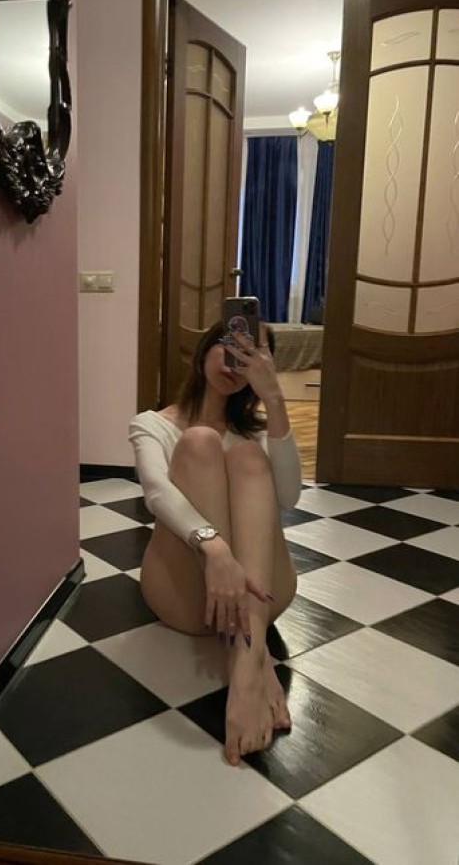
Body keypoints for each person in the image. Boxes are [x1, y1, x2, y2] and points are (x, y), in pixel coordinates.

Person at [128, 321, 302, 765]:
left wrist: (274, 399)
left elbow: (289, 497)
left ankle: (245, 663)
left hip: (264, 593)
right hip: (189, 595)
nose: (233, 362)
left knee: (246, 454)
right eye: (227, 347)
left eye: (248, 355)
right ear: (204, 351)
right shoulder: (152, 425)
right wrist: (216, 550)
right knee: (200, 443)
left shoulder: (254, 432)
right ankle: (254, 653)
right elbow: (156, 493)